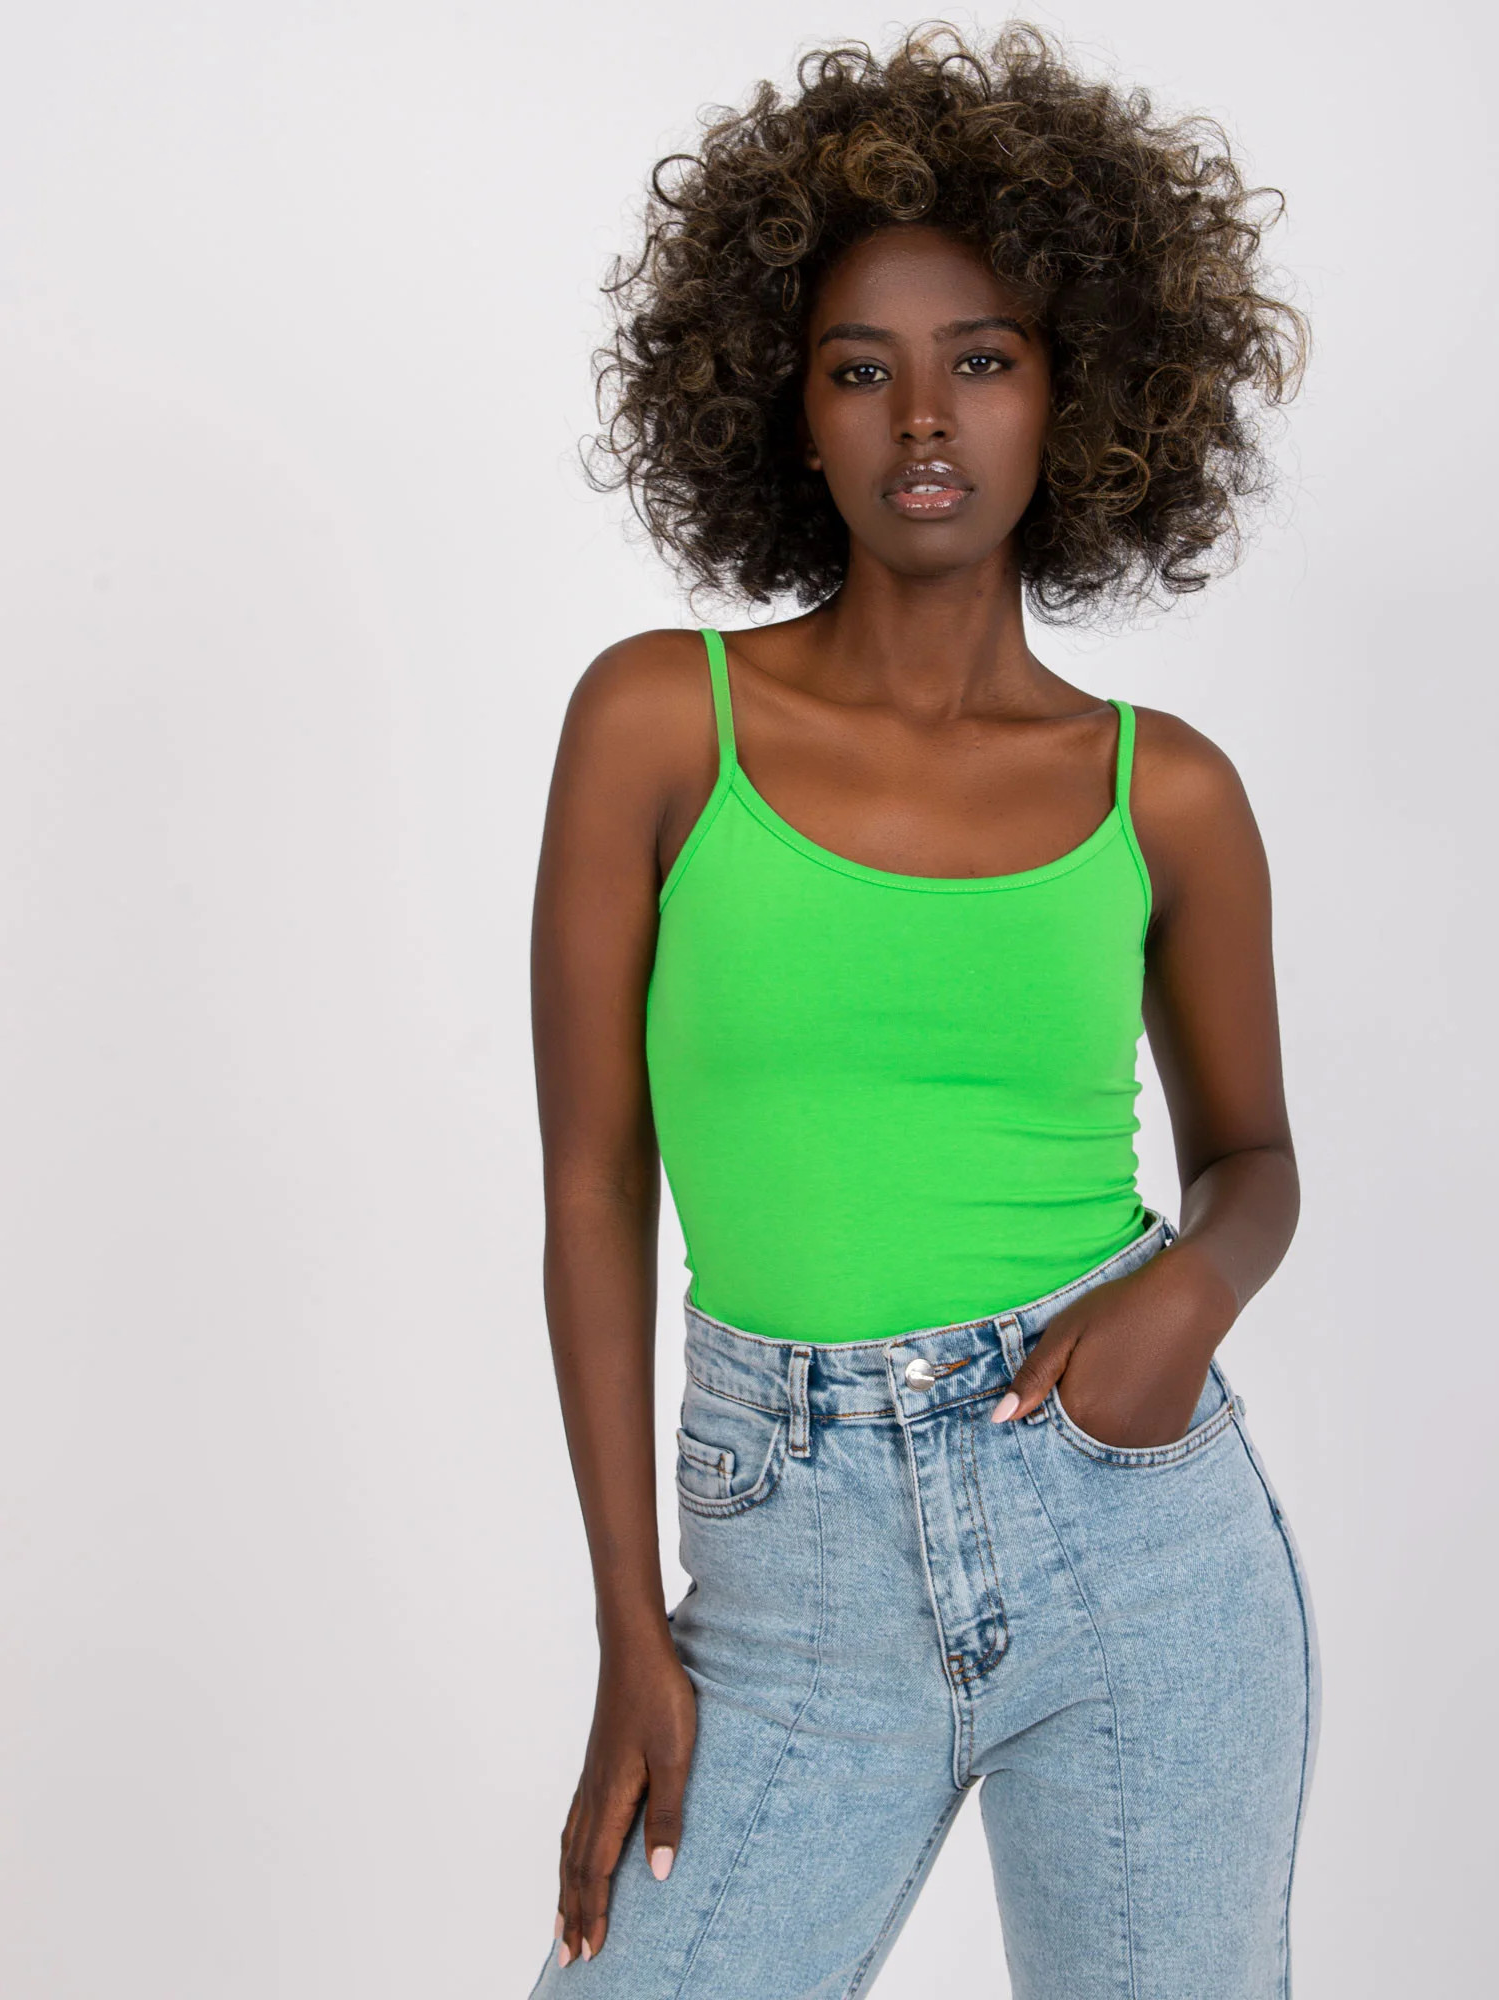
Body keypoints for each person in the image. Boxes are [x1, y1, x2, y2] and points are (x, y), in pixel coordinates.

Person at [525, 21, 1320, 1995]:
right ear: (788, 414)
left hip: (1138, 1537)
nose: (925, 417)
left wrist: (1190, 1296)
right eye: (860, 369)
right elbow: (594, 1183)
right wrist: (628, 1628)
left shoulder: (1167, 791)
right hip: (787, 1562)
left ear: (1077, 396)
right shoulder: (661, 725)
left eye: (983, 358)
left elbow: (1254, 1159)